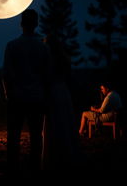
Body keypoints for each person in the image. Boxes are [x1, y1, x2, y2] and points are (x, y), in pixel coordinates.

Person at [2, 9, 51, 176]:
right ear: (36, 24)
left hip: (17, 97)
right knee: (36, 135)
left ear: (21, 24)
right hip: (37, 97)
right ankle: (35, 168)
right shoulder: (43, 48)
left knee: (13, 135)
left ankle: (13, 169)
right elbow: (47, 75)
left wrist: (8, 94)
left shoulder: (12, 46)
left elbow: (7, 74)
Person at [41, 34, 80, 171]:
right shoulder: (64, 59)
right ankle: (68, 155)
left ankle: (54, 158)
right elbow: (69, 77)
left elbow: (45, 78)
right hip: (63, 92)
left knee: (54, 124)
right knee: (65, 123)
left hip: (53, 93)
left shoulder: (48, 60)